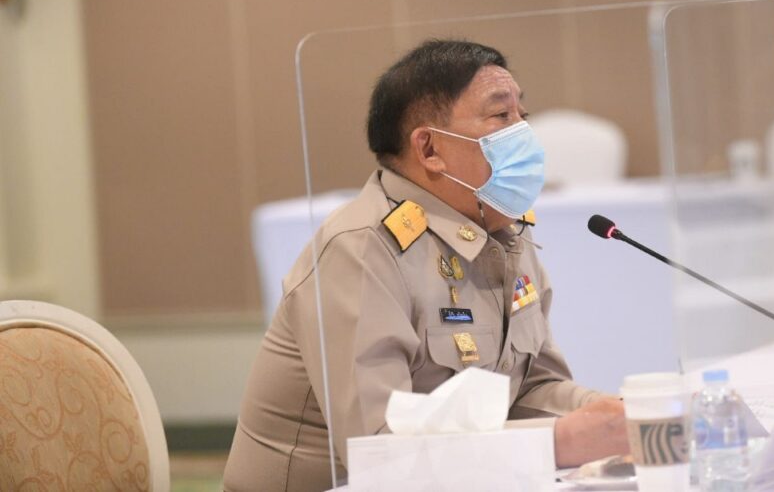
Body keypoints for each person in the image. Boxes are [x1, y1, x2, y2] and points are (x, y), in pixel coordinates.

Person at [223, 39, 629, 490]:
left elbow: (530, 391)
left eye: (523, 115)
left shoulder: (503, 231)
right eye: (501, 116)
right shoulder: (360, 249)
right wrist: (559, 441)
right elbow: (379, 451)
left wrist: (624, 416)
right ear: (430, 149)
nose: (524, 134)